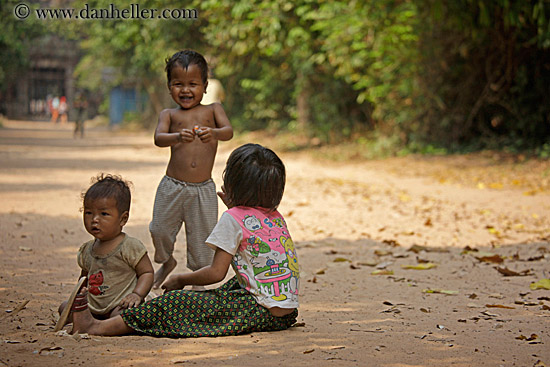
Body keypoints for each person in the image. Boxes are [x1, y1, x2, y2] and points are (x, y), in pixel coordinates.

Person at [66, 144, 300, 337]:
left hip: (260, 310)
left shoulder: (233, 218)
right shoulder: (275, 218)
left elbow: (216, 273)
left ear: (232, 184)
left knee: (174, 303)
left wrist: (180, 279)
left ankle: (96, 327)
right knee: (228, 289)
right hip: (286, 312)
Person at [149, 50, 233, 289]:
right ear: (169, 87)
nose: (185, 90)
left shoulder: (213, 110)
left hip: (202, 190)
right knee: (159, 229)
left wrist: (214, 133)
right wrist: (176, 136)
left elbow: (228, 132)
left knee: (202, 238)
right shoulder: (169, 114)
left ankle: (199, 281)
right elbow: (158, 138)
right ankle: (166, 261)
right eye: (178, 84)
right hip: (172, 185)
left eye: (193, 84)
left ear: (205, 86)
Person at [56, 174, 154, 329]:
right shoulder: (87, 250)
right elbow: (84, 278)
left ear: (123, 219)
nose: (95, 219)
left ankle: (100, 326)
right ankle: (93, 320)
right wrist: (80, 296)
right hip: (94, 306)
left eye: (104, 214)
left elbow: (147, 273)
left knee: (125, 315)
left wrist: (137, 294)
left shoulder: (129, 246)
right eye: (88, 212)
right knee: (64, 307)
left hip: (120, 303)